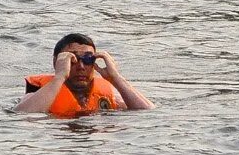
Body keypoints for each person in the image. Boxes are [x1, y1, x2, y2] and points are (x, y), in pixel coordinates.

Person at [16, 33, 154, 117]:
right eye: (73, 60)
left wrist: (115, 78)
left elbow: (148, 113)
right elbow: (23, 115)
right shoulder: (36, 96)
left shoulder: (110, 97)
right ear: (56, 62)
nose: (81, 67)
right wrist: (59, 77)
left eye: (88, 59)